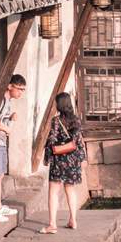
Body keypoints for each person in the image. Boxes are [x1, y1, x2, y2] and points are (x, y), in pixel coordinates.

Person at [0, 74, 27, 223]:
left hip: (0, 142)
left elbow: (1, 118)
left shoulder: (7, 101)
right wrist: (6, 129)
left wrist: (10, 118)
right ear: (10, 86)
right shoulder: (1, 100)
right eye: (19, 89)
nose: (21, 92)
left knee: (0, 176)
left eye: (23, 90)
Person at [41, 92, 86, 234]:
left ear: (59, 105)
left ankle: (52, 225)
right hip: (72, 160)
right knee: (70, 190)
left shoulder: (56, 121)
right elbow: (79, 141)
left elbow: (51, 141)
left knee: (53, 192)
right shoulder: (76, 121)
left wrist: (47, 158)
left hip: (59, 160)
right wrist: (83, 158)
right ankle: (73, 220)